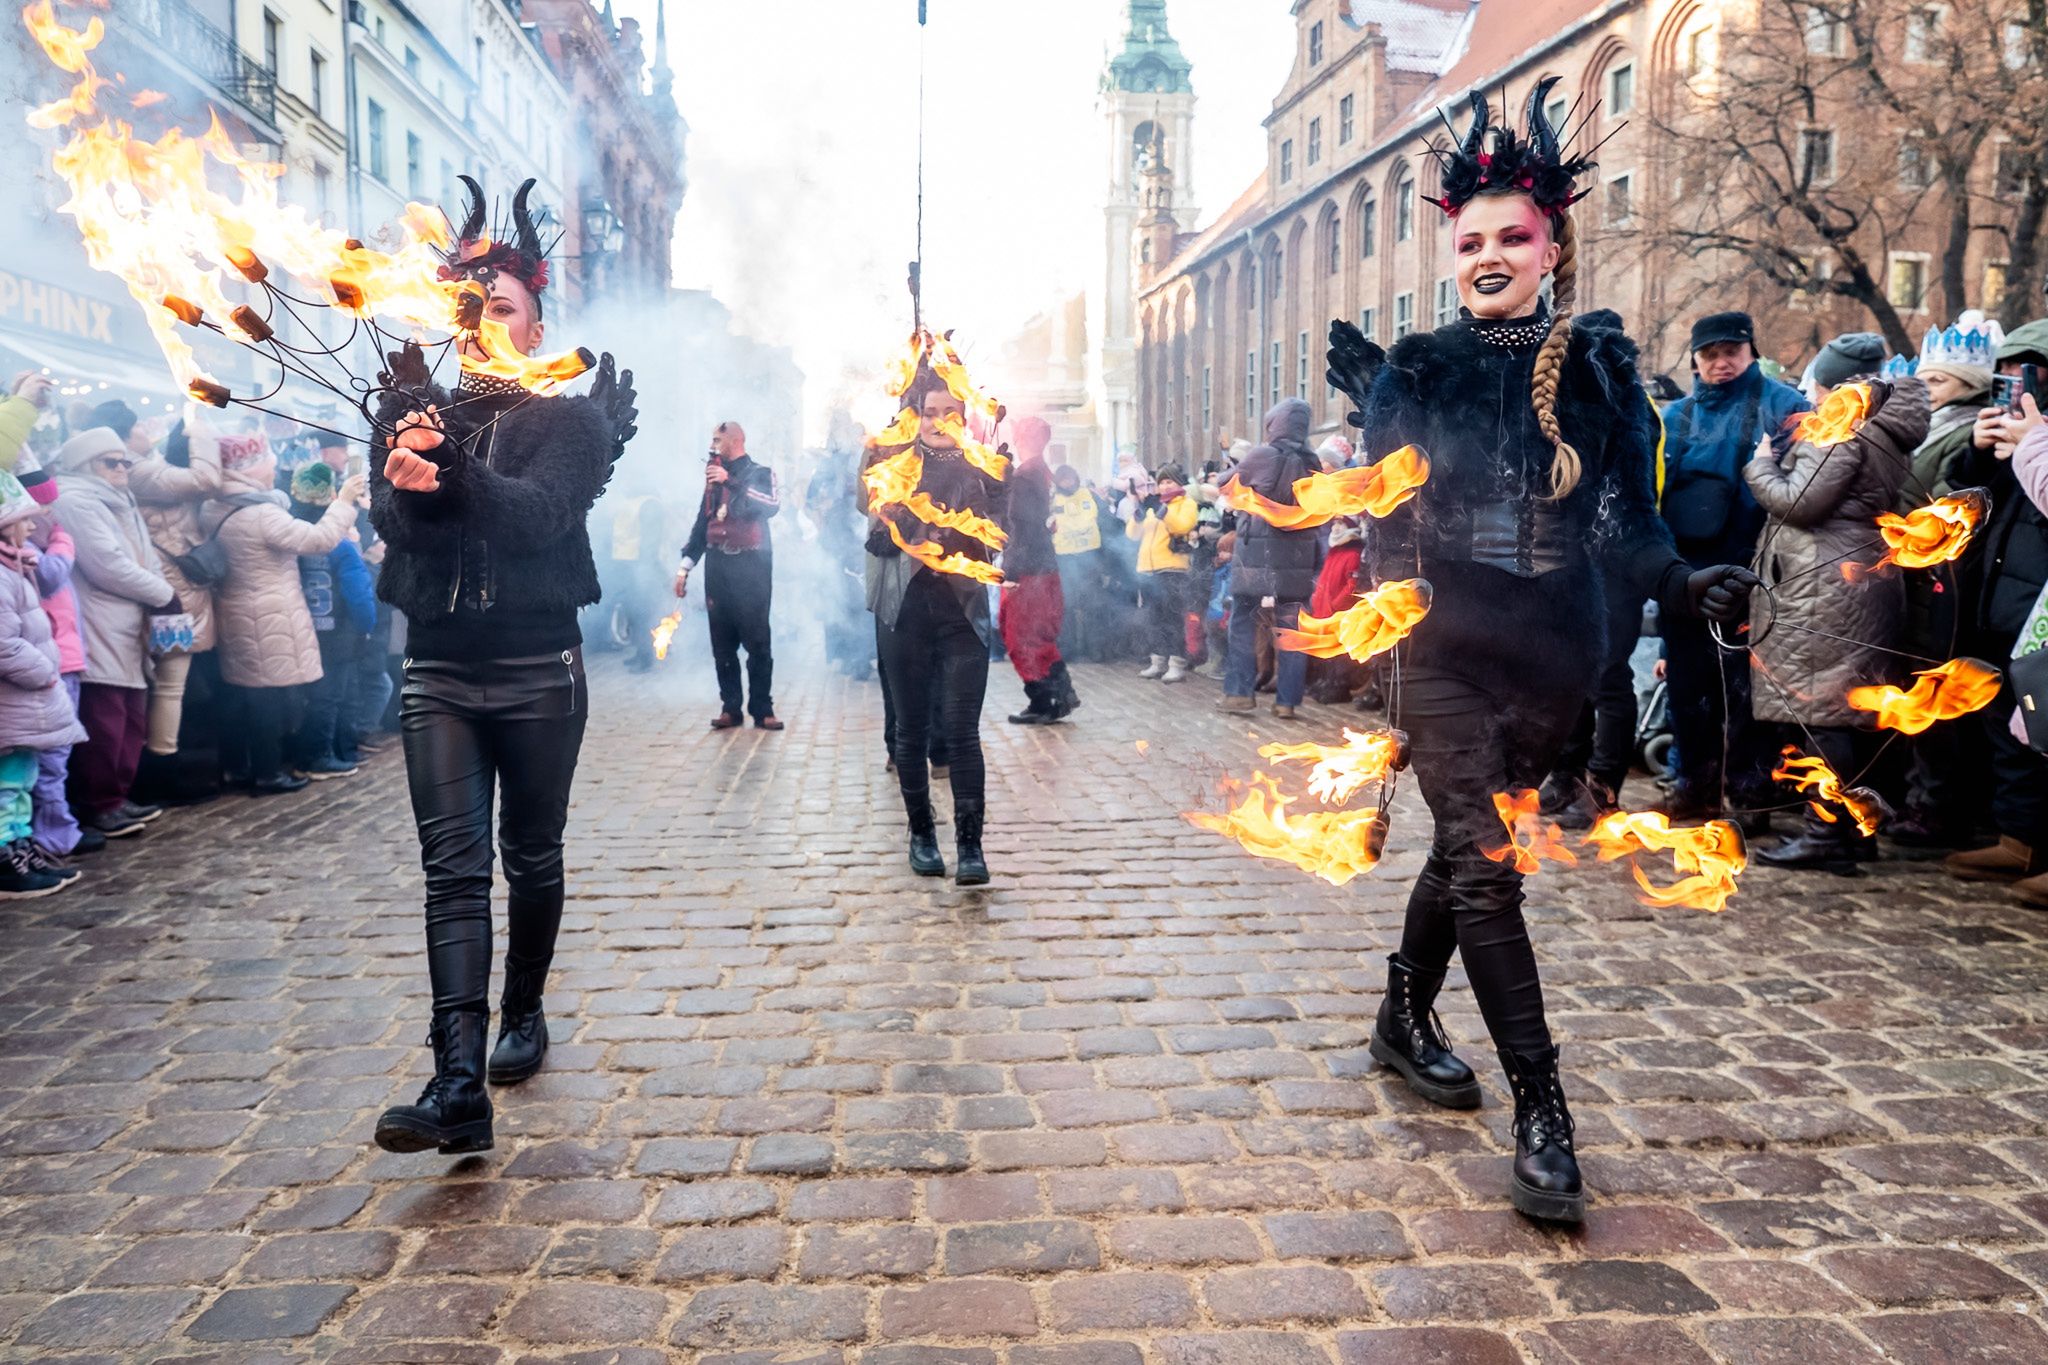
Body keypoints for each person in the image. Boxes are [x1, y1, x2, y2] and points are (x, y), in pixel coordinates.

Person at [1326, 83, 1758, 1225]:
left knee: (1464, 856)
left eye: (1510, 237)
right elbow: (1385, 525)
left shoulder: (1603, 367)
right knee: (1485, 866)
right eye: (1467, 240)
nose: (1487, 256)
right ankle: (1542, 1108)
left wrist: (1680, 580)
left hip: (1552, 661)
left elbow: (1627, 520)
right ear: (1448, 251)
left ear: (1550, 245)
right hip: (1444, 654)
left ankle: (1398, 1017)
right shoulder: (1417, 368)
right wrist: (1380, 653)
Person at [368, 177, 635, 1155]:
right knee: (452, 874)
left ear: (533, 322)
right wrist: (414, 479)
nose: (483, 320)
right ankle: (457, 1085)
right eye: (467, 306)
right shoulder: (409, 403)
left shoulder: (569, 420)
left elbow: (537, 518)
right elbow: (393, 525)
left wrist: (459, 472)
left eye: (503, 307)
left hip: (536, 670)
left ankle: (524, 1009)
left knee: (530, 854)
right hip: (436, 668)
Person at [1745, 335, 1928, 870]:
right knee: (1845, 710)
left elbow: (1797, 503)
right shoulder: (1886, 424)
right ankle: (1854, 829)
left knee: (1821, 712)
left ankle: (1825, 835)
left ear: (1831, 382)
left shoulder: (1843, 426)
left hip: (1822, 584)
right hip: (1859, 573)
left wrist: (1760, 465)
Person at [1656, 309, 1809, 825]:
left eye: (1731, 352)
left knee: (1746, 690)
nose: (1721, 363)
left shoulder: (1784, 405)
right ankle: (1694, 789)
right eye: (1710, 355)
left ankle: (1752, 796)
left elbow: (1807, 484)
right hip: (1685, 572)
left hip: (1754, 568)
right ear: (1696, 361)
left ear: (1751, 352)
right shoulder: (1674, 416)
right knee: (1687, 685)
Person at [867, 356, 1005, 886]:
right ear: (916, 415)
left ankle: (971, 845)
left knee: (963, 732)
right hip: (903, 611)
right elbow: (867, 504)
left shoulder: (983, 467)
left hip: (962, 614)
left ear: (963, 417)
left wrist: (1002, 491)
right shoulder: (892, 460)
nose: (938, 420)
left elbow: (1000, 534)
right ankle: (921, 834)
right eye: (929, 411)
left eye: (950, 411)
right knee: (910, 731)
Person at [1891, 313, 2002, 846]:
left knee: (1936, 693)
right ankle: (1923, 801)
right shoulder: (1934, 426)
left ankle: (1935, 809)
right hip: (1914, 578)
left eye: (1938, 380)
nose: (1925, 388)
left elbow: (1944, 500)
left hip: (1942, 581)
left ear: (1970, 385)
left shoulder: (1965, 431)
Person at [199, 434, 362, 794]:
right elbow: (317, 540)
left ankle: (238, 768)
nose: (274, 471)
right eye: (268, 463)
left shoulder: (215, 506)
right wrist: (345, 502)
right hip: (270, 612)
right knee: (268, 699)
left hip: (235, 608)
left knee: (244, 696)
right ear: (251, 467)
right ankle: (268, 773)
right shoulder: (262, 513)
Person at [1946, 319, 2048, 888]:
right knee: (2009, 727)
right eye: (2005, 372)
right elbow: (1966, 506)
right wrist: (1979, 453)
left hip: (2039, 603)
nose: (2014, 382)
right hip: (2000, 597)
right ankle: (2018, 840)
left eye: (2027, 371)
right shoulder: (2020, 435)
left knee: (2044, 731)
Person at [51, 425, 176, 839]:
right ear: (86, 464)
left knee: (130, 718)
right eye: (111, 462)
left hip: (128, 625)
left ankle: (116, 797)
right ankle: (99, 803)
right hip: (98, 625)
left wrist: (161, 592)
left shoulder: (119, 499)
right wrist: (161, 593)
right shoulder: (75, 501)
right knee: (105, 720)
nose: (122, 468)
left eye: (124, 461)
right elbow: (107, 564)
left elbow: (143, 558)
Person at [0, 469, 87, 897]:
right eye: (24, 519)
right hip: (14, 698)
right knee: (6, 783)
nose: (33, 527)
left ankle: (19, 844)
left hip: (22, 701)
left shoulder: (15, 566)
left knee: (22, 779)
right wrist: (44, 671)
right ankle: (4, 857)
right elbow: (4, 644)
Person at [129, 414, 223, 791]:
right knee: (171, 684)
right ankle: (164, 772)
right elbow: (206, 479)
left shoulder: (155, 473)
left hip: (183, 593)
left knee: (181, 687)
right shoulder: (146, 474)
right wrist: (200, 432)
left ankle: (179, 767)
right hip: (171, 598)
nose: (142, 429)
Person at [675, 422, 781, 731]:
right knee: (721, 641)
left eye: (717, 439)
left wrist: (730, 481)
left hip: (751, 566)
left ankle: (763, 709)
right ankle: (730, 707)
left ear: (736, 440)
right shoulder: (713, 479)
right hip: (718, 565)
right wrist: (685, 567)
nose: (712, 444)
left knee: (758, 640)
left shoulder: (760, 473)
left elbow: (770, 506)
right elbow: (701, 525)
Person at [1222, 398, 1319, 719]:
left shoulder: (1261, 455)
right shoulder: (1312, 461)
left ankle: (1239, 694)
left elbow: (1226, 485)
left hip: (1255, 558)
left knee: (1242, 623)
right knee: (1291, 629)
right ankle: (1287, 701)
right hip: (1296, 558)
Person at [287, 461, 376, 778]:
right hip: (339, 632)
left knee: (312, 697)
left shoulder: (292, 535)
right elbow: (358, 592)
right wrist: (367, 626)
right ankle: (320, 756)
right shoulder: (340, 542)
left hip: (301, 627)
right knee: (332, 696)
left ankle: (323, 752)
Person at [1000, 416, 1078, 725]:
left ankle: (1049, 698)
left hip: (1030, 570)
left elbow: (1022, 527)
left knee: (1023, 637)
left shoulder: (1026, 476)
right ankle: (1049, 697)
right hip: (1043, 566)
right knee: (1031, 634)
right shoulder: (1044, 473)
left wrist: (1011, 571)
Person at [1126, 464, 1199, 684]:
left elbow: (1182, 526)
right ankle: (1157, 661)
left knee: (1172, 618)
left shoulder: (1186, 503)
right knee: (1152, 618)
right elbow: (1132, 534)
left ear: (1179, 483)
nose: (1165, 486)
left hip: (1172, 569)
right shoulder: (1153, 506)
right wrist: (1138, 512)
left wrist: (1163, 511)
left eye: (1169, 481)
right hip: (1148, 570)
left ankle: (1176, 663)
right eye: (1161, 482)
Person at [1050, 464, 1106, 662]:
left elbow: (1100, 519)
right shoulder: (1052, 499)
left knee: (1093, 604)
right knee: (1066, 605)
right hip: (1064, 557)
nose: (1068, 482)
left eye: (1070, 478)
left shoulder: (1088, 495)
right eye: (1064, 479)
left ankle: (1096, 649)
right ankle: (1068, 650)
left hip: (1088, 555)